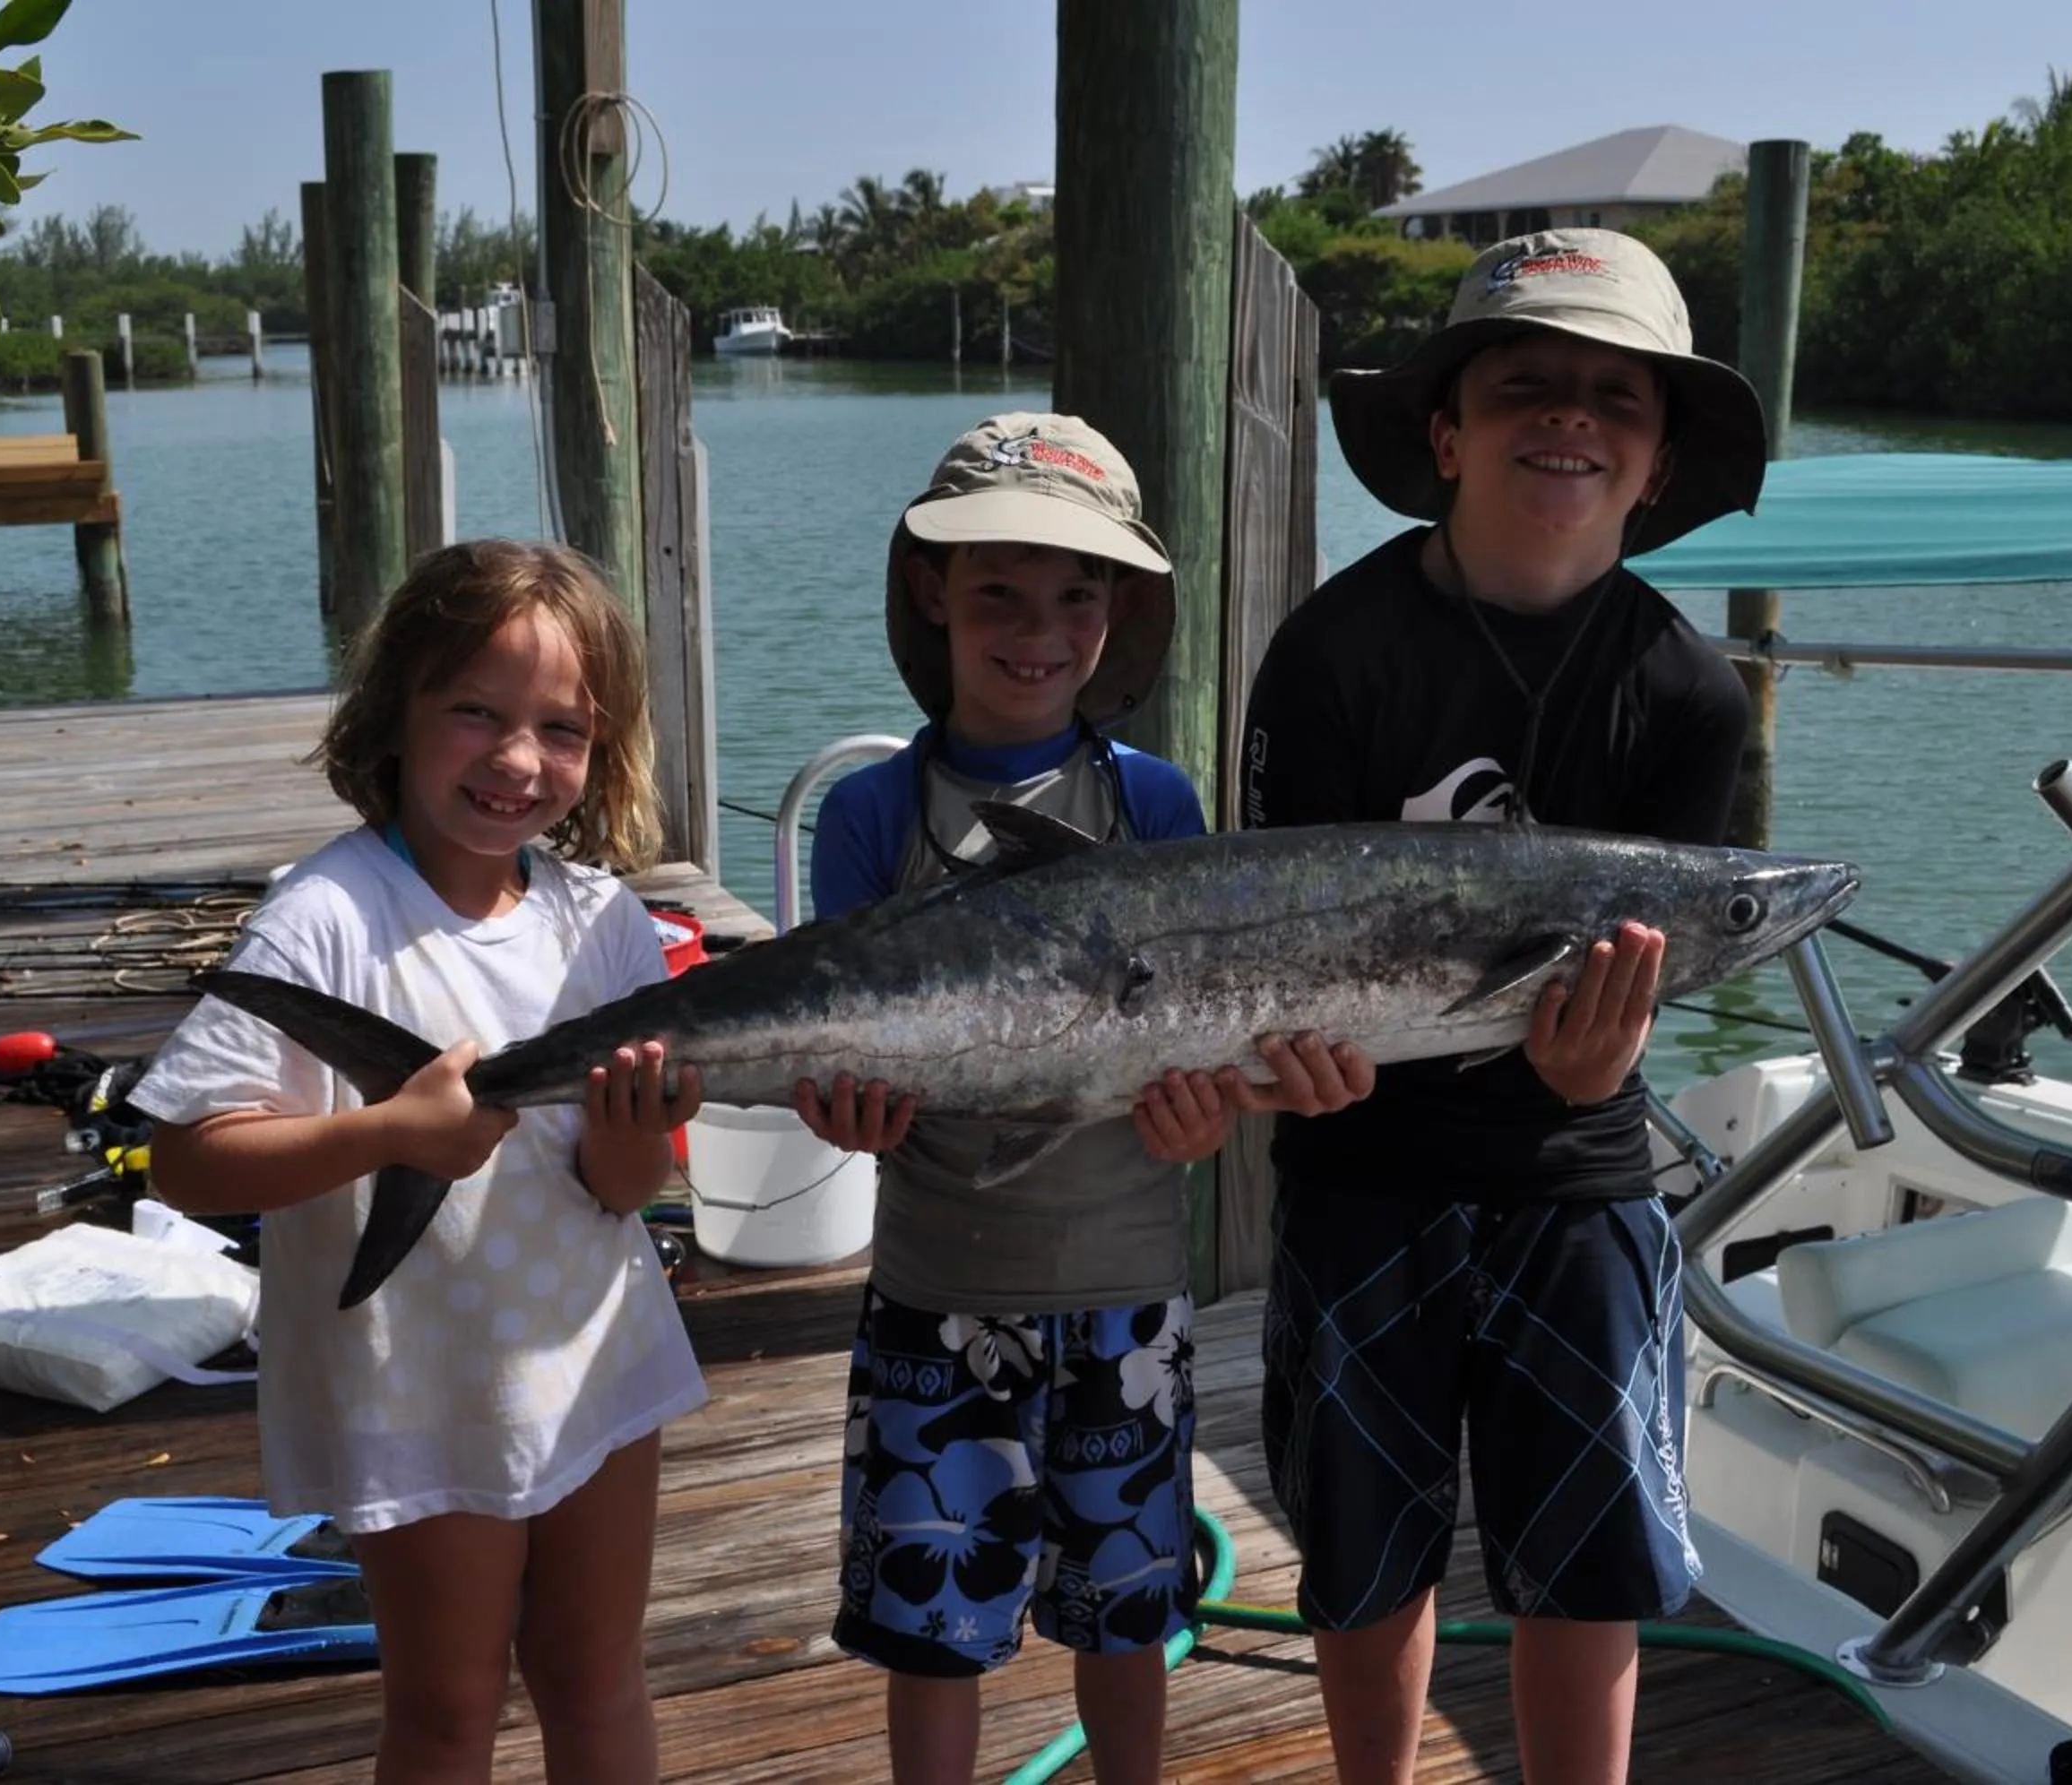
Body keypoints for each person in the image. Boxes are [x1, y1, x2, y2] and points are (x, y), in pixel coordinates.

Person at [1240, 229, 1769, 1785]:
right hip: (1362, 1166)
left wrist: (1607, 1058)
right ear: (1445, 430)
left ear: (1662, 461)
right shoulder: (1331, 654)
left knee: (1585, 1564)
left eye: (1619, 396)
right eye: (1528, 382)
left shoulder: (1688, 692)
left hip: (1576, 1170)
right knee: (1362, 1544)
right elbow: (1260, 934)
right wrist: (1281, 1069)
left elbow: (1675, 951)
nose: (1572, 417)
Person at [137, 539, 708, 1785]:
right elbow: (184, 1160)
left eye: (561, 730)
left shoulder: (603, 923)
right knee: (448, 1710)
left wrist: (630, 1142)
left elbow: (627, 1190)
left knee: (598, 1677)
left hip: (599, 1359)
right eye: (477, 714)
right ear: (396, 708)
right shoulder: (324, 920)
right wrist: (392, 1132)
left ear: (598, 755)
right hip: (422, 1386)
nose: (517, 761)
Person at [792, 412, 1250, 1785]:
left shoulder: (1158, 807)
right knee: (929, 1631)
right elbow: (843, 1047)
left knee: (1130, 1618)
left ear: (1121, 609)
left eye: (1077, 594)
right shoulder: (874, 812)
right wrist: (838, 1110)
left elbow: (1199, 1040)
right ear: (934, 591)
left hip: (1127, 1287)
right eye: (999, 591)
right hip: (937, 1286)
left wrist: (1209, 1121)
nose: (1037, 629)